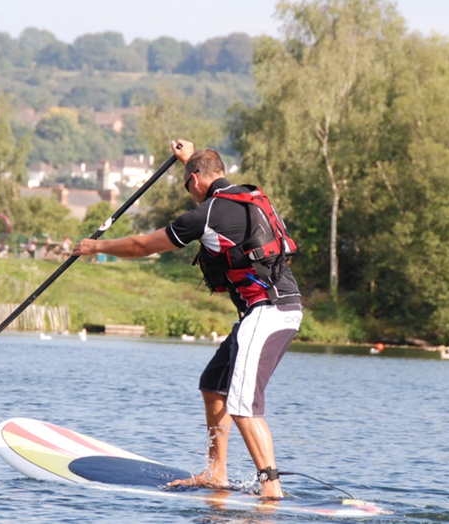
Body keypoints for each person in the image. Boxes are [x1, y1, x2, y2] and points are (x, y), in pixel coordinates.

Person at [72, 139, 302, 499]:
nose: (190, 194)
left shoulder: (208, 213)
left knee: (243, 405)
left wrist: (94, 246)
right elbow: (208, 189)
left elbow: (143, 246)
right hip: (271, 311)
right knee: (214, 385)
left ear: (194, 180)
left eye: (187, 185)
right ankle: (216, 473)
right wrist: (188, 160)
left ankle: (271, 490)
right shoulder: (249, 198)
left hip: (269, 311)